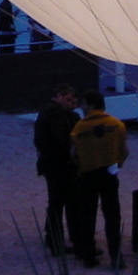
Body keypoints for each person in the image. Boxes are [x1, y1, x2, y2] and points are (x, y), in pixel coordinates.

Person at [68, 90, 129, 268]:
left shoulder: (79, 128)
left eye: (83, 103)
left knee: (87, 216)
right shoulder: (116, 124)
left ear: (91, 104)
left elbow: (73, 154)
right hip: (109, 174)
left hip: (87, 175)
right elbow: (124, 151)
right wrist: (116, 164)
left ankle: (88, 256)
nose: (80, 106)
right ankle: (116, 257)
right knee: (112, 216)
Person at [33, 83, 80, 256]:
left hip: (49, 162)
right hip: (60, 163)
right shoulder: (58, 115)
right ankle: (57, 240)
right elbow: (62, 139)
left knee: (56, 200)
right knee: (63, 201)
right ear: (59, 97)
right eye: (68, 100)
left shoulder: (46, 112)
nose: (72, 104)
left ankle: (52, 237)